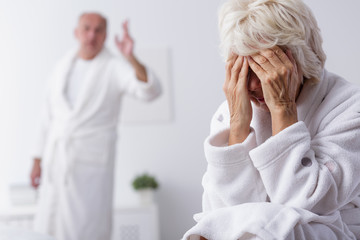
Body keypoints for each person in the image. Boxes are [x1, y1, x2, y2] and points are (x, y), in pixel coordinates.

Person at [183, 0, 360, 239]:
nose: (255, 85)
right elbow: (223, 215)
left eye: (266, 66)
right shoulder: (232, 109)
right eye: (247, 68)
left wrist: (283, 109)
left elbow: (306, 203)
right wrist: (238, 126)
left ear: (301, 58)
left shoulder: (350, 107)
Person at [29, 12, 161, 240]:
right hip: (57, 160)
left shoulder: (113, 67)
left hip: (90, 167)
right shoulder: (61, 67)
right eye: (87, 28)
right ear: (76, 32)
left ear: (106, 36)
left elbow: (150, 91)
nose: (92, 35)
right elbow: (46, 116)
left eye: (98, 30)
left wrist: (131, 58)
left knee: (87, 228)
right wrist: (36, 159)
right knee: (48, 227)